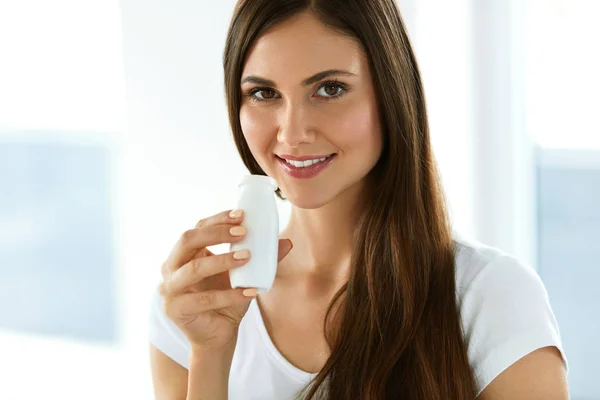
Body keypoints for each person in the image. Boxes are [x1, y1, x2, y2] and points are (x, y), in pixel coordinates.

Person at [148, 0, 569, 399]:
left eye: (329, 89)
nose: (292, 133)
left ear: (390, 95)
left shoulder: (489, 297)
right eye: (264, 93)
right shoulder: (193, 306)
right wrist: (211, 355)